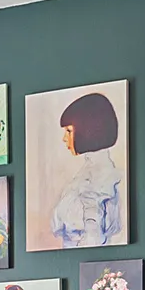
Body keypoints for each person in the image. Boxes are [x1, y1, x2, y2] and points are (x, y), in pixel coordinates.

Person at [48, 91, 124, 247]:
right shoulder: (89, 169)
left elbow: (92, 234)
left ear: (88, 129)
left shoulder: (99, 174)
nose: (64, 138)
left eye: (68, 131)